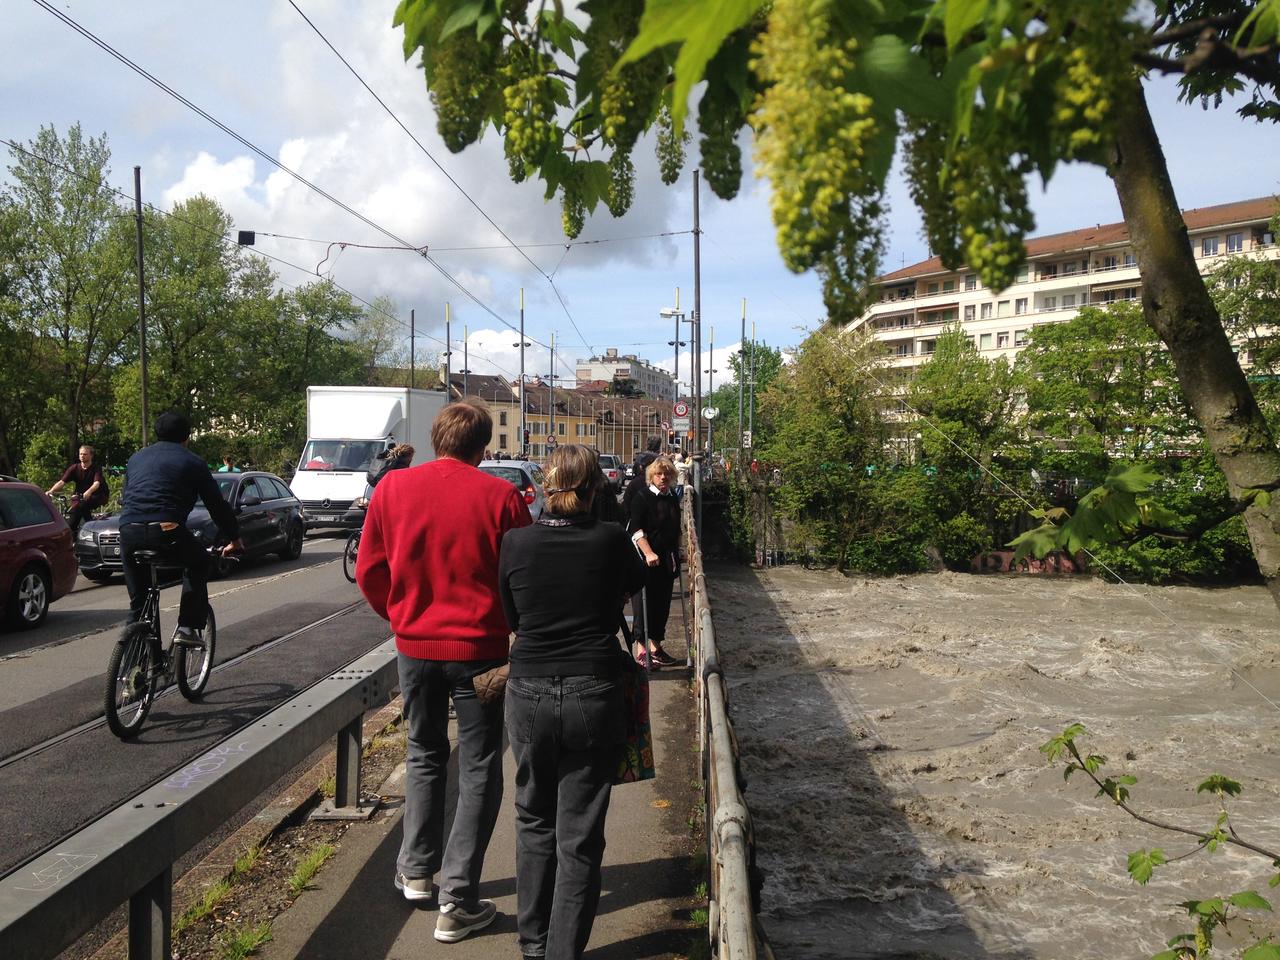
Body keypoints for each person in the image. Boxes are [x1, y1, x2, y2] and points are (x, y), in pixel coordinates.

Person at [356, 400, 530, 942]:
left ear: (436, 439)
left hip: (416, 647)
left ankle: (415, 869)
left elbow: (370, 570)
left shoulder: (391, 489)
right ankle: (458, 898)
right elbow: (522, 573)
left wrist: (403, 617)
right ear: (483, 448)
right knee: (479, 765)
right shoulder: (501, 496)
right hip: (481, 651)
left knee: (423, 751)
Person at [498, 444, 646, 960]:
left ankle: (533, 947)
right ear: (593, 491)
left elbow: (513, 617)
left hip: (530, 688)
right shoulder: (609, 539)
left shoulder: (516, 543)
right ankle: (564, 953)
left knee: (534, 819)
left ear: (543, 487)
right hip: (593, 687)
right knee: (579, 835)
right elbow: (640, 578)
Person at [119, 413, 243, 643]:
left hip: (128, 531)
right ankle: (187, 626)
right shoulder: (192, 461)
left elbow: (126, 496)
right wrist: (234, 538)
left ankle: (131, 653)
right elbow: (216, 505)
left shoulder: (135, 458)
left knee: (139, 603)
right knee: (199, 562)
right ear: (187, 437)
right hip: (166, 529)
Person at [627, 457, 682, 668]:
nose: (663, 478)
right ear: (651, 476)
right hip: (645, 560)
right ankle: (641, 650)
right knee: (644, 605)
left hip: (667, 559)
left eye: (667, 474)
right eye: (659, 474)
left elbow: (675, 528)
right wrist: (649, 552)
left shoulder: (671, 498)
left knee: (663, 604)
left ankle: (655, 647)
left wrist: (680, 550)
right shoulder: (642, 498)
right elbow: (636, 530)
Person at [47, 444, 109, 532]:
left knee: (81, 506)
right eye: (80, 454)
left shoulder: (96, 468)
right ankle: (74, 535)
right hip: (80, 497)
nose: (82, 456)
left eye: (85, 454)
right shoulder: (74, 468)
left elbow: (96, 483)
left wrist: (89, 492)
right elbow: (62, 482)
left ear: (91, 456)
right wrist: (51, 491)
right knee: (74, 514)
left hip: (97, 495)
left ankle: (91, 529)